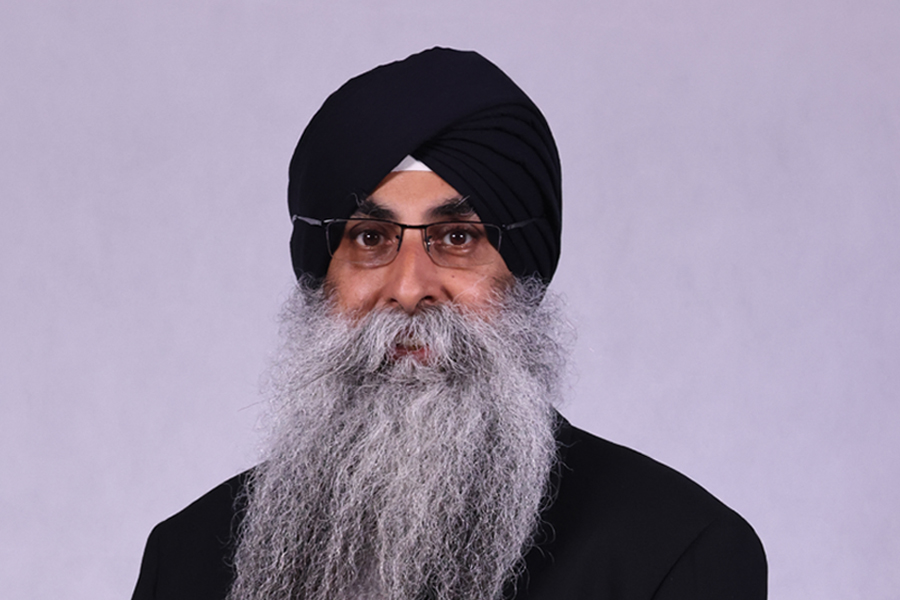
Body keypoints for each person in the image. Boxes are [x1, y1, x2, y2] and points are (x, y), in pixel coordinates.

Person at [131, 47, 767, 600]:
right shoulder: (187, 560)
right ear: (321, 278)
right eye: (370, 237)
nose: (410, 288)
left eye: (458, 237)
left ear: (523, 275)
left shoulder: (675, 554)